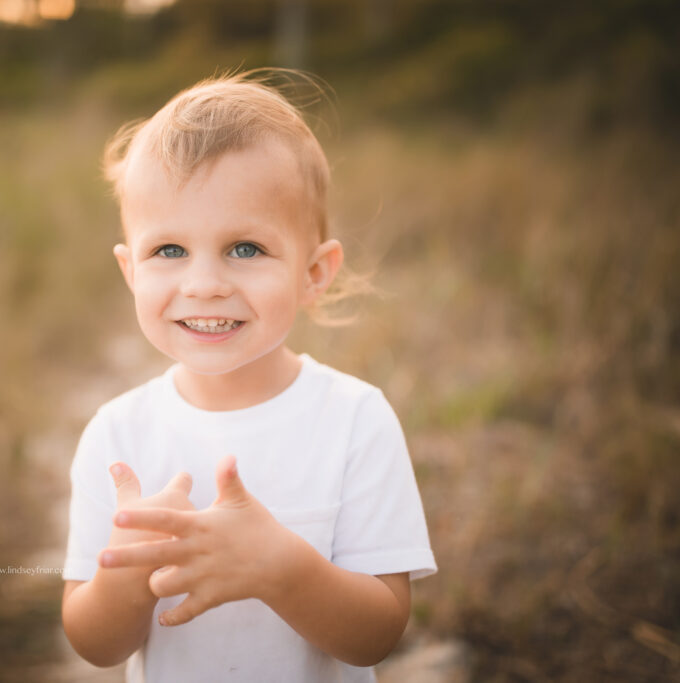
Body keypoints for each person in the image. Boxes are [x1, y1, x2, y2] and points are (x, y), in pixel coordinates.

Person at [61, 70, 436, 683]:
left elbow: (377, 636)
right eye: (170, 251)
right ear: (131, 271)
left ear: (315, 273)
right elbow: (94, 644)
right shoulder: (117, 436)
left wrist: (281, 568)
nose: (204, 283)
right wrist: (122, 577)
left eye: (244, 249)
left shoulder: (354, 420)